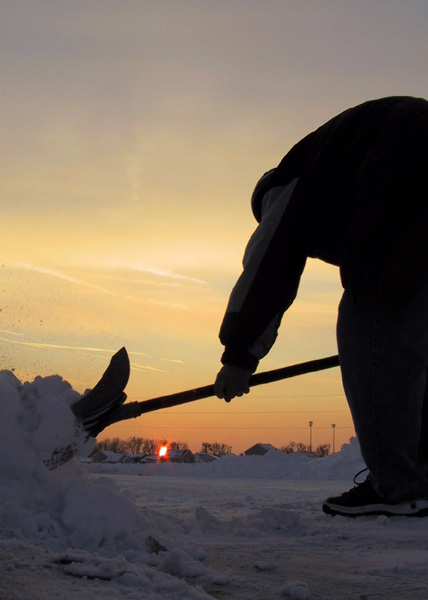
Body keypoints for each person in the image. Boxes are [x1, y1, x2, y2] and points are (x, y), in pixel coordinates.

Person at [214, 96, 428, 517]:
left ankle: (397, 485)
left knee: (372, 308)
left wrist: (239, 356)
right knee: (413, 326)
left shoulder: (287, 186)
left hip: (403, 150)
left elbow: (270, 264)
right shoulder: (335, 172)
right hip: (413, 154)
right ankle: (418, 478)